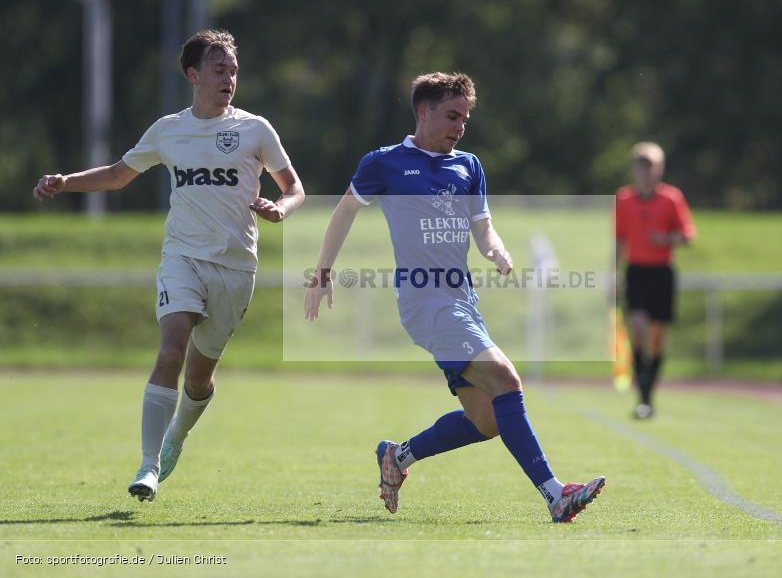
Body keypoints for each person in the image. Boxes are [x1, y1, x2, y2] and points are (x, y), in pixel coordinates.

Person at [304, 72, 604, 523]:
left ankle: (397, 456)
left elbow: (482, 226)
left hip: (463, 300)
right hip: (424, 302)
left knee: (486, 421)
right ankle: (555, 494)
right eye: (451, 116)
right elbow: (345, 210)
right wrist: (321, 272)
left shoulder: (469, 165)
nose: (459, 127)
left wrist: (496, 249)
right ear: (423, 112)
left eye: (464, 118)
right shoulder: (384, 162)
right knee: (505, 377)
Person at [33, 29, 305, 501]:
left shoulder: (255, 129)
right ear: (194, 74)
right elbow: (119, 175)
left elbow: (293, 186)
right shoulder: (167, 130)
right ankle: (148, 464)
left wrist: (281, 208)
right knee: (170, 352)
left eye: (234, 70)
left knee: (199, 379)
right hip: (182, 257)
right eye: (219, 70)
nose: (229, 79)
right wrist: (66, 182)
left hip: (236, 269)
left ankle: (177, 433)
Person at [615, 142, 695, 419]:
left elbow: (687, 235)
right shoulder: (624, 200)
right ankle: (644, 397)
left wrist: (666, 239)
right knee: (637, 329)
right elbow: (619, 239)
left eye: (651, 166)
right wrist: (614, 273)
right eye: (641, 166)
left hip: (662, 273)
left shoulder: (671, 198)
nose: (646, 172)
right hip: (636, 272)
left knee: (658, 340)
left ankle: (648, 396)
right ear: (634, 169)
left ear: (659, 169)